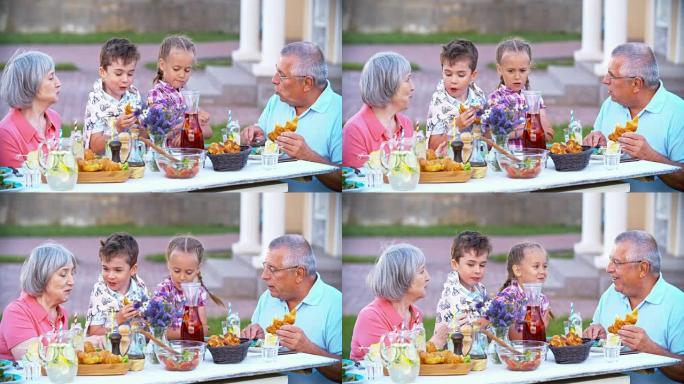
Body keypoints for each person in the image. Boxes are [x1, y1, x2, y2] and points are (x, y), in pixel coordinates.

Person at [240, 42, 342, 192]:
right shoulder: (277, 100)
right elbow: (259, 142)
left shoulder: (339, 113)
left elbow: (345, 181)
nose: (274, 79)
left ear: (307, 83)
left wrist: (309, 157)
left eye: (282, 75)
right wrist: (253, 136)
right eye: (277, 71)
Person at [584, 231, 684, 383]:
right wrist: (595, 337)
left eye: (617, 262)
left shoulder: (678, 304)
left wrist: (650, 349)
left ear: (643, 268)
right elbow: (595, 347)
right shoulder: (611, 294)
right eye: (610, 261)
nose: (609, 268)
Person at [583, 43, 684, 192]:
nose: (605, 80)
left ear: (636, 83)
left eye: (612, 76)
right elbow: (597, 158)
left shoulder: (678, 112)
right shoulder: (610, 104)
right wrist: (596, 146)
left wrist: (651, 157)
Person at [241, 235, 341, 383]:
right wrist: (253, 339)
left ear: (299, 273)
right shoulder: (267, 298)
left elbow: (345, 372)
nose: (264, 276)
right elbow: (254, 357)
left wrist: (309, 350)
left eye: (272, 269)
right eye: (265, 267)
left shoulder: (335, 303)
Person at [350, 244, 448, 361]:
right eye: (421, 272)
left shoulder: (416, 314)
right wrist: (434, 344)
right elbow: (393, 363)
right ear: (402, 278)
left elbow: (413, 366)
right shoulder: (371, 316)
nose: (428, 277)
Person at [0, 243, 76, 360]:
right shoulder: (16, 312)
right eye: (63, 274)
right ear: (41, 275)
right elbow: (32, 359)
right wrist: (78, 345)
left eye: (72, 273)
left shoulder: (61, 313)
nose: (71, 281)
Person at [342, 51, 415, 169]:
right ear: (388, 84)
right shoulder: (354, 131)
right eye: (407, 80)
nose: (413, 87)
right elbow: (355, 182)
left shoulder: (406, 124)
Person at [152, 235, 224, 340]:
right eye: (177, 271)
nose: (182, 277)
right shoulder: (164, 290)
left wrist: (199, 329)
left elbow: (204, 328)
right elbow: (157, 330)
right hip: (168, 349)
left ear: (198, 269)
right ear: (168, 265)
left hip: (191, 348)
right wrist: (186, 332)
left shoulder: (198, 292)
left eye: (189, 272)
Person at [0, 50, 61, 168]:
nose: (58, 83)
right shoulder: (6, 134)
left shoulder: (54, 118)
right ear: (31, 84)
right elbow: (15, 182)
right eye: (51, 78)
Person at [148, 35, 212, 143]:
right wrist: (187, 126)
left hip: (186, 156)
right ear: (162, 65)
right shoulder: (156, 94)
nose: (182, 75)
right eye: (176, 69)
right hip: (165, 156)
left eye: (187, 70)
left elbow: (209, 132)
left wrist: (198, 126)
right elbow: (157, 133)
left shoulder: (186, 95)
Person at [433, 231, 491, 348]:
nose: (477, 270)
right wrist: (486, 321)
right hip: (454, 352)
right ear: (455, 264)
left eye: (482, 265)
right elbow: (466, 327)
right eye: (471, 264)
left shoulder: (479, 288)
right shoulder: (453, 295)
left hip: (477, 347)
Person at [488, 38, 553, 143]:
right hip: (506, 157)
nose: (517, 76)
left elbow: (548, 135)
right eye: (510, 71)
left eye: (522, 70)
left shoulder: (535, 99)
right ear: (499, 70)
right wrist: (523, 130)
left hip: (531, 157)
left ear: (529, 68)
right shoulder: (495, 99)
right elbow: (493, 137)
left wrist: (537, 130)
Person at [84, 38, 142, 154]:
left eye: (130, 73)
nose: (125, 79)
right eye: (118, 73)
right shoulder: (96, 101)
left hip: (132, 163)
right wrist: (117, 128)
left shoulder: (133, 95)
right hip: (105, 166)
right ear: (103, 72)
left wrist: (147, 126)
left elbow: (142, 137)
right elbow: (95, 147)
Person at [426, 39, 487, 150]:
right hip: (449, 163)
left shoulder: (478, 95)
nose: (453, 80)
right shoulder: (439, 102)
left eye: (461, 75)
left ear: (473, 75)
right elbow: (432, 146)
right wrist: (456, 125)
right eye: (448, 74)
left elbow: (487, 136)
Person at [86, 232, 149, 336]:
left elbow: (148, 326)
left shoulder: (140, 286)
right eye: (105, 268)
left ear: (133, 269)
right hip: (109, 350)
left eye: (118, 270)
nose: (110, 276)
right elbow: (94, 333)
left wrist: (145, 318)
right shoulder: (100, 291)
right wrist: (117, 320)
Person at [495, 241, 552, 340]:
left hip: (532, 351)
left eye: (545, 266)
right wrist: (540, 328)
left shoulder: (542, 299)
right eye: (536, 266)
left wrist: (541, 329)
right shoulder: (508, 298)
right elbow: (515, 339)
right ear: (517, 270)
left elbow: (539, 339)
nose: (542, 271)